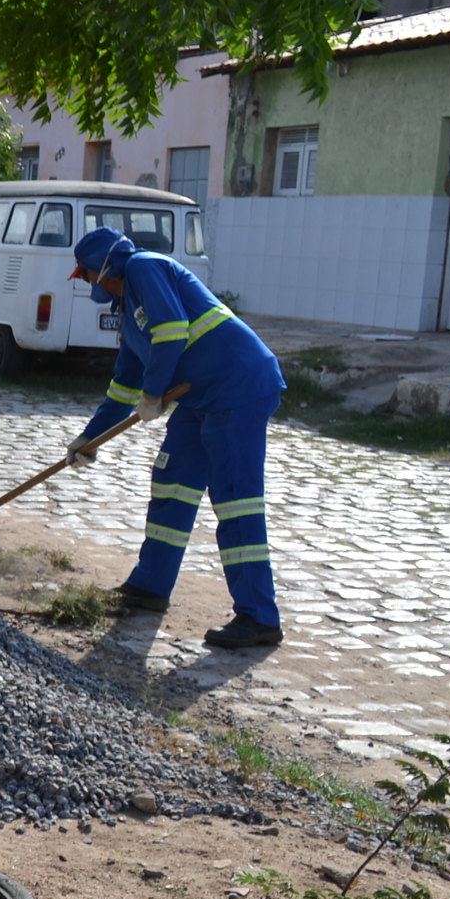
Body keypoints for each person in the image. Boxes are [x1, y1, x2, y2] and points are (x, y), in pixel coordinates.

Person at [63, 226, 286, 649]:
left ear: (105, 269)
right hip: (200, 398)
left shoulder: (145, 268)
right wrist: (87, 439)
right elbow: (123, 389)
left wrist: (154, 394)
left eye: (89, 275)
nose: (91, 284)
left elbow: (171, 330)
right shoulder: (129, 315)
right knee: (172, 484)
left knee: (236, 502)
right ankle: (150, 586)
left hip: (238, 388)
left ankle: (259, 617)